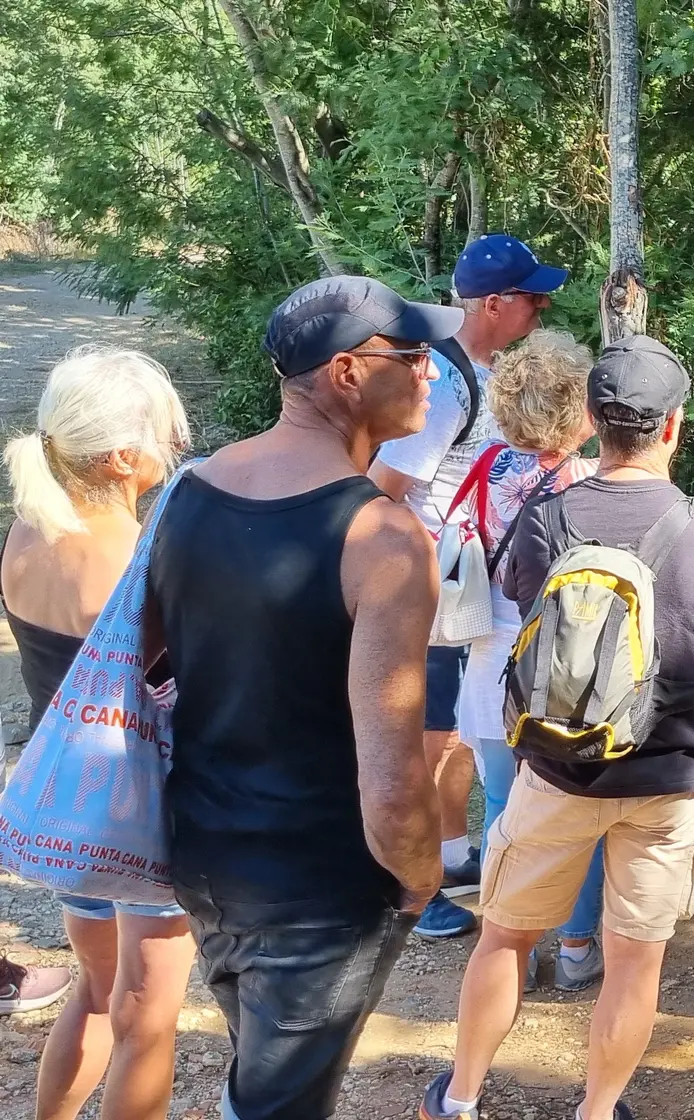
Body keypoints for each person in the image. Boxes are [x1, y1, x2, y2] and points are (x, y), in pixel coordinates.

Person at [422, 335, 694, 1120]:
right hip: (669, 781)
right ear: (673, 426)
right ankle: (598, 1110)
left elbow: (527, 615)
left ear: (591, 420)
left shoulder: (547, 519)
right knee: (634, 964)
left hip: (558, 767)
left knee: (503, 938)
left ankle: (461, 1098)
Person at [149, 276, 456, 1120]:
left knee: (262, 1078)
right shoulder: (382, 539)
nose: (432, 373)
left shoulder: (191, 488)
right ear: (348, 372)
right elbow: (392, 782)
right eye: (413, 356)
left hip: (203, 853)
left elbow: (150, 663)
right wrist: (422, 877)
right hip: (316, 886)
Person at [1, 346, 195, 1120]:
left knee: (94, 989)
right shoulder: (134, 565)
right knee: (147, 1016)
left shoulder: (26, 533)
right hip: (141, 815)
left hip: (72, 803)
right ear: (124, 457)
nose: (174, 446)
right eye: (164, 435)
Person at [370, 233, 569, 938]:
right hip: (439, 582)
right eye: (532, 297)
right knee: (435, 733)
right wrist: (419, 573)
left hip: (467, 581)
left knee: (454, 731)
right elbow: (385, 487)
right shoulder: (448, 383)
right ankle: (416, 892)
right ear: (493, 303)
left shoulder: (478, 368)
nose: (542, 307)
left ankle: (451, 858)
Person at [455, 328, 605, 991]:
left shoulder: (485, 468)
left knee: (499, 806)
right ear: (580, 408)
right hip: (567, 671)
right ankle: (576, 946)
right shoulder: (591, 481)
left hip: (491, 658)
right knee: (577, 816)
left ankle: (504, 942)